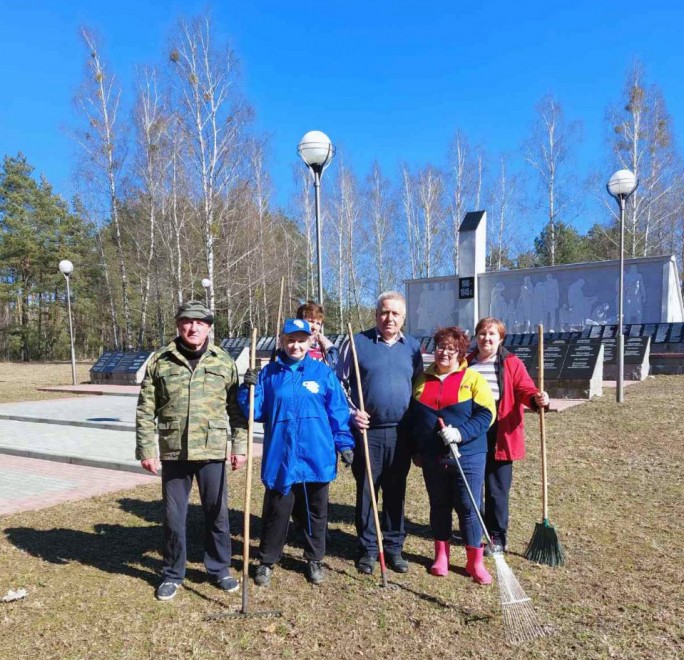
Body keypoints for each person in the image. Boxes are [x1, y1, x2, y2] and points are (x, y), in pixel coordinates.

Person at [136, 301, 247, 601]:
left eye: (200, 322)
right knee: (174, 518)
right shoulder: (161, 360)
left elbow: (236, 410)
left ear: (209, 327)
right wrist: (147, 449)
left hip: (211, 451)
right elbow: (146, 410)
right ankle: (173, 573)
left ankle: (219, 568)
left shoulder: (223, 361)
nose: (193, 327)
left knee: (217, 514)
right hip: (175, 452)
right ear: (178, 325)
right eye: (187, 321)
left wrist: (239, 446)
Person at [238, 318, 354, 586]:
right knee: (276, 510)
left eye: (301, 340)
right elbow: (254, 412)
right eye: (290, 339)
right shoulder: (269, 375)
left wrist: (345, 443)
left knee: (316, 511)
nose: (295, 345)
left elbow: (337, 412)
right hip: (282, 456)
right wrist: (248, 389)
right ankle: (267, 560)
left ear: (310, 342)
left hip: (317, 454)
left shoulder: (322, 373)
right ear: (282, 341)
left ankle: (315, 559)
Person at [337, 291, 423, 574]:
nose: (389, 318)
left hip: (401, 432)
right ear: (376, 314)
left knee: (396, 491)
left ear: (403, 318)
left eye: (395, 313)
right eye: (384, 312)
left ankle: (394, 547)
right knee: (367, 492)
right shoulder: (357, 342)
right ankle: (368, 549)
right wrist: (352, 413)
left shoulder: (412, 347)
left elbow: (417, 387)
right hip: (368, 433)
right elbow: (339, 384)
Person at [409, 327, 496, 583]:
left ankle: (474, 561)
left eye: (451, 349)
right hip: (432, 457)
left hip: (468, 455)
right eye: (440, 347)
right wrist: (417, 449)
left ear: (461, 353)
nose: (444, 352)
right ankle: (441, 556)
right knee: (439, 504)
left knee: (469, 508)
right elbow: (415, 419)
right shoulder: (422, 379)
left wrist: (460, 433)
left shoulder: (472, 379)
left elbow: (486, 414)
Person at [466, 317, 549, 555]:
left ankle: (497, 536)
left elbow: (525, 389)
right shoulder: (467, 362)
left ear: (501, 338)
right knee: (471, 485)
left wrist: (537, 398)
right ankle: (474, 527)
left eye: (492, 334)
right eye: (482, 333)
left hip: (500, 434)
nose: (486, 338)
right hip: (472, 432)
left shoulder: (511, 363)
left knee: (496, 489)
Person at [296, 300, 339, 368]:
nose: (314, 327)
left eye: (318, 323)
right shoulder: (290, 349)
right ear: (300, 322)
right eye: (311, 321)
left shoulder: (329, 350)